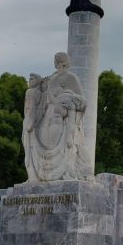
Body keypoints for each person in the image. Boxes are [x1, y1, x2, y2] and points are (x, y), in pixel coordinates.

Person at [21, 52, 92, 182]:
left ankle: (76, 170)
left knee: (73, 144)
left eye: (56, 59)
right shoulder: (51, 79)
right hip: (46, 123)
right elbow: (43, 94)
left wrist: (68, 101)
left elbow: (83, 101)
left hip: (61, 121)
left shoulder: (71, 77)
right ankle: (36, 176)